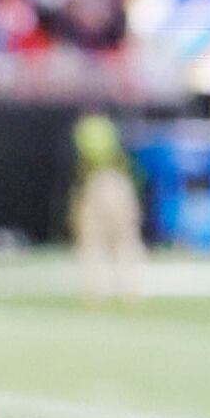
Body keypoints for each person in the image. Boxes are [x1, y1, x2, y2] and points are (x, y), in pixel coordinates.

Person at [68, 109, 145, 305]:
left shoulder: (85, 130)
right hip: (119, 183)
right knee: (125, 240)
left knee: (92, 242)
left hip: (96, 183)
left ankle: (95, 290)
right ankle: (131, 289)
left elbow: (82, 164)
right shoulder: (112, 130)